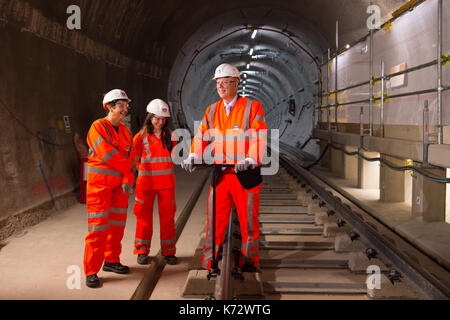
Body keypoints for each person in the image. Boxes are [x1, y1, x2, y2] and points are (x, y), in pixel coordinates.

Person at [181, 63, 268, 272]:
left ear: (236, 83)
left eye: (225, 82)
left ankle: (249, 261)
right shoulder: (212, 110)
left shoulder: (252, 107)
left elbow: (260, 135)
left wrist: (251, 158)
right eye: (218, 83)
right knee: (215, 221)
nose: (220, 86)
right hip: (221, 174)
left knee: (249, 223)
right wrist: (194, 154)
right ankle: (210, 259)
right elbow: (202, 135)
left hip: (245, 174)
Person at [83, 89, 135, 288]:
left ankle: (111, 261)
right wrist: (129, 168)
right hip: (100, 187)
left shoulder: (125, 131)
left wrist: (128, 178)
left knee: (116, 227)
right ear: (109, 107)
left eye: (126, 105)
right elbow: (106, 154)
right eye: (121, 105)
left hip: (120, 188)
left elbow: (130, 158)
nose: (125, 109)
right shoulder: (97, 127)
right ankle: (91, 270)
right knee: (97, 229)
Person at [131, 99, 178, 266]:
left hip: (166, 184)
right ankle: (142, 251)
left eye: (163, 119)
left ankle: (169, 251)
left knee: (168, 219)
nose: (160, 122)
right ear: (149, 117)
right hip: (146, 185)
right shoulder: (139, 137)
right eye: (156, 118)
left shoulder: (170, 136)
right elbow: (135, 161)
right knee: (143, 219)